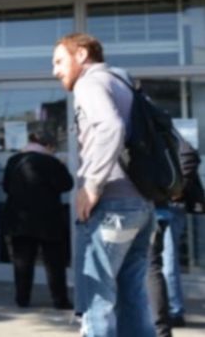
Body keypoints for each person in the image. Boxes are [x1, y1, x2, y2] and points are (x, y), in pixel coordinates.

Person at [51, 33, 154, 337]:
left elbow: (110, 126)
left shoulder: (90, 82)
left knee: (97, 300)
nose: (55, 70)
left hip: (112, 205)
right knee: (133, 298)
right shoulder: (124, 83)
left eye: (59, 61)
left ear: (81, 55)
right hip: (141, 206)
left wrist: (93, 184)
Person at [1, 132, 74, 309]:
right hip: (48, 219)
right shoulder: (52, 162)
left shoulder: (14, 160)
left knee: (22, 261)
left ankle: (22, 298)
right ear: (48, 146)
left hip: (20, 219)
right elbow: (67, 185)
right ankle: (59, 299)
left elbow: (5, 186)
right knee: (54, 263)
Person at [148, 131, 201, 335]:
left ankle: (174, 310)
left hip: (168, 204)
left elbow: (189, 155)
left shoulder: (164, 133)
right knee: (161, 261)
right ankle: (170, 309)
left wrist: (177, 188)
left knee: (164, 260)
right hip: (164, 203)